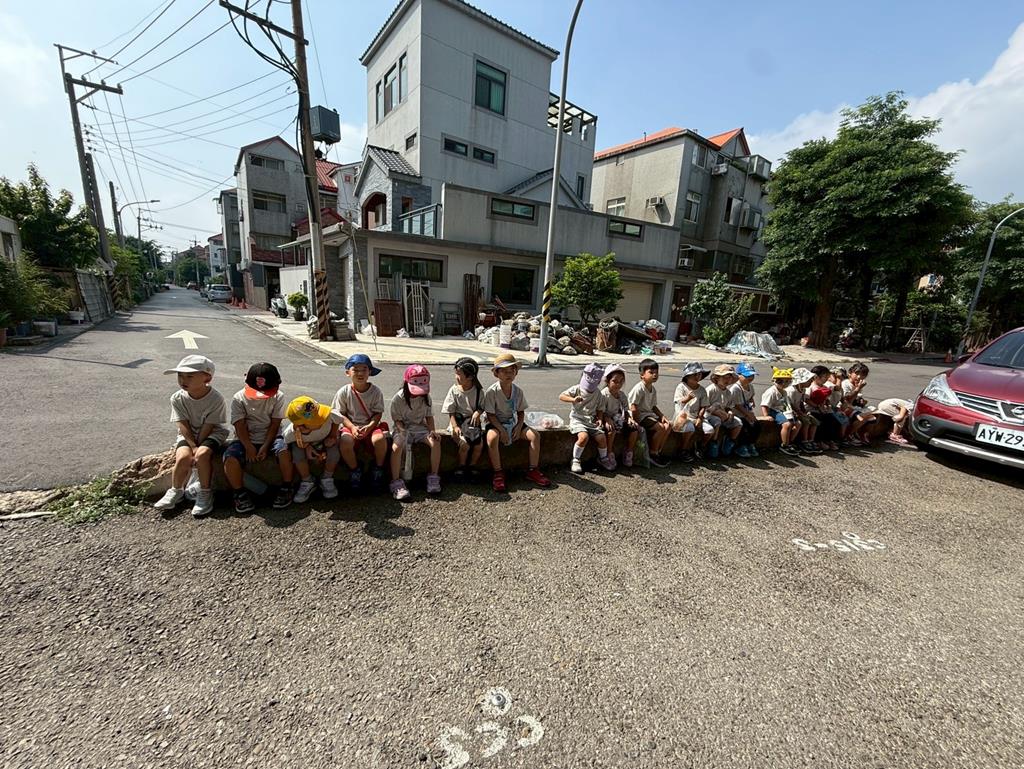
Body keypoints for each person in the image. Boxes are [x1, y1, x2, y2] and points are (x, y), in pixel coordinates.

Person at [154, 355, 228, 517]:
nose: (183, 380)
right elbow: (182, 424)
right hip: (187, 435)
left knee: (202, 455)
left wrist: (197, 447)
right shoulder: (177, 397)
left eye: (189, 376)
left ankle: (205, 492)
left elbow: (210, 425)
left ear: (207, 378)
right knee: (182, 457)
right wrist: (192, 445)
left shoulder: (216, 399)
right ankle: (176, 490)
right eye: (180, 376)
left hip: (212, 433)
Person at [223, 363, 293, 513]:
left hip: (271, 436)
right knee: (230, 458)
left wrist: (265, 445)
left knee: (284, 452)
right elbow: (239, 425)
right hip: (245, 438)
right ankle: (239, 493)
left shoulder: (278, 397)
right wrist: (248, 446)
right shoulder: (239, 398)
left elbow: (275, 423)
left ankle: (287, 487)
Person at [483, 353, 551, 492]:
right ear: (497, 374)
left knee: (535, 436)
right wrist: (501, 430)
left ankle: (533, 470)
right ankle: (498, 473)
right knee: (492, 438)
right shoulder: (492, 392)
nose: (508, 374)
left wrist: (519, 426)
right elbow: (490, 415)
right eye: (504, 371)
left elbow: (521, 412)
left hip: (513, 422)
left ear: (516, 373)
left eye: (511, 371)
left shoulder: (518, 391)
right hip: (496, 423)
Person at [332, 354, 389, 491]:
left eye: (364, 369)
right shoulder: (344, 392)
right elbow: (340, 414)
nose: (360, 373)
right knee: (345, 441)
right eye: (355, 370)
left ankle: (378, 467)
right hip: (350, 425)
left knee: (379, 439)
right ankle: (354, 469)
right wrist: (352, 427)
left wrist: (369, 427)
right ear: (348, 373)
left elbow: (378, 413)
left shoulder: (375, 391)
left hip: (370, 425)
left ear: (370, 372)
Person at [389, 364, 442, 500]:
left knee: (435, 442)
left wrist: (432, 431)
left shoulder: (426, 397)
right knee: (397, 446)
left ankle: (433, 476)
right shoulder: (398, 398)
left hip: (420, 428)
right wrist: (402, 431)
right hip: (403, 428)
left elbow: (429, 416)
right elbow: (397, 420)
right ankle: (396, 481)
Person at [283, 396, 342, 503]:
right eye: (316, 420)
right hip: (306, 444)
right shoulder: (292, 433)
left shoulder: (329, 415)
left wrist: (333, 435)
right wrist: (306, 445)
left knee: (334, 452)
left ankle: (327, 477)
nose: (322, 418)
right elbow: (287, 441)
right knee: (297, 453)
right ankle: (307, 480)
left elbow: (338, 419)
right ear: (301, 426)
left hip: (325, 440)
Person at [559, 362, 614, 474]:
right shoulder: (577, 389)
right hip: (578, 419)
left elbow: (600, 408)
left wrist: (600, 419)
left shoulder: (598, 394)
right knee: (583, 437)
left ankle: (603, 458)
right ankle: (575, 459)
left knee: (601, 438)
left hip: (591, 420)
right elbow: (562, 396)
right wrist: (573, 399)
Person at [442, 357, 486, 478]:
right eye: (456, 374)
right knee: (464, 444)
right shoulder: (454, 391)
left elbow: (482, 406)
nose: (456, 377)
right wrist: (455, 426)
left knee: (479, 445)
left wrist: (478, 412)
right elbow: (450, 411)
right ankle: (461, 466)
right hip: (457, 423)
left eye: (459, 374)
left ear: (470, 377)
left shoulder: (479, 391)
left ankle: (472, 465)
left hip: (472, 424)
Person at [627, 358, 671, 467]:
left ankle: (658, 451)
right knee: (660, 427)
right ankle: (653, 453)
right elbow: (633, 407)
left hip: (649, 414)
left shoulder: (652, 389)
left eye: (656, 372)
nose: (654, 375)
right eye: (651, 372)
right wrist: (637, 423)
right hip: (641, 416)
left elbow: (653, 406)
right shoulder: (639, 389)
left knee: (668, 425)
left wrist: (662, 416)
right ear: (642, 375)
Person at [671, 362, 715, 462]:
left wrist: (700, 418)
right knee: (690, 428)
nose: (697, 377)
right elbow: (679, 402)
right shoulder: (681, 387)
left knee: (709, 430)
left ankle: (701, 446)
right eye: (694, 374)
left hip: (696, 416)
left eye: (699, 374)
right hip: (683, 416)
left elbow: (703, 406)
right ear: (687, 376)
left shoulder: (702, 390)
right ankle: (683, 450)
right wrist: (688, 398)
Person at [601, 364, 640, 467]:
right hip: (606, 419)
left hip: (619, 419)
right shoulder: (604, 395)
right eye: (615, 381)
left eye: (621, 381)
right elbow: (600, 411)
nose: (618, 384)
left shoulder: (621, 395)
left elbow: (626, 410)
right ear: (607, 381)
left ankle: (628, 451)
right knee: (611, 430)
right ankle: (609, 452)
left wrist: (630, 419)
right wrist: (607, 419)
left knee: (634, 429)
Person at [705, 364, 743, 458]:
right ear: (717, 378)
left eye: (729, 378)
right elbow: (705, 406)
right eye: (724, 377)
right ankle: (713, 442)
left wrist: (730, 411)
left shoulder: (728, 392)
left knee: (738, 423)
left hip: (723, 414)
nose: (727, 380)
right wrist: (716, 412)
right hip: (710, 414)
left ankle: (730, 441)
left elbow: (728, 406)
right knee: (717, 421)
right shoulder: (711, 390)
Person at [761, 367, 800, 456]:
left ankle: (790, 442)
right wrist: (766, 416)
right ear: (774, 381)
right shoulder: (771, 392)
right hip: (774, 410)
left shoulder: (784, 392)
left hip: (783, 410)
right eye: (780, 381)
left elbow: (786, 403)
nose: (784, 384)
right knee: (787, 424)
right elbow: (764, 405)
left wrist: (792, 411)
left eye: (787, 382)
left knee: (798, 424)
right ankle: (784, 445)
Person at [786, 367, 823, 454]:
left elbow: (801, 402)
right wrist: (799, 413)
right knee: (806, 422)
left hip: (799, 411)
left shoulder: (802, 389)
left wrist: (804, 411)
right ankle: (803, 441)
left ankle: (811, 440)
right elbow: (790, 404)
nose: (811, 382)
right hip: (791, 411)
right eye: (809, 380)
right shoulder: (791, 390)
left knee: (815, 422)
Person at [729, 362, 762, 457]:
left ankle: (750, 444)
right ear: (739, 376)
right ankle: (741, 446)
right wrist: (748, 414)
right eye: (747, 376)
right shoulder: (735, 388)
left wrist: (752, 401)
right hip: (737, 413)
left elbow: (750, 396)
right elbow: (737, 405)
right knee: (744, 426)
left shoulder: (750, 386)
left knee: (757, 426)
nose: (750, 378)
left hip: (746, 411)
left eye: (752, 376)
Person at [807, 366, 842, 451]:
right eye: (825, 377)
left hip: (823, 410)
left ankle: (829, 440)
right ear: (816, 376)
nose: (826, 379)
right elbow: (807, 399)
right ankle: (818, 441)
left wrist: (827, 404)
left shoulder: (825, 387)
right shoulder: (811, 387)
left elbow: (826, 399)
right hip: (812, 409)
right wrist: (816, 406)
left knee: (833, 420)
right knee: (820, 421)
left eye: (827, 377)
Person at [842, 362, 878, 445]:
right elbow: (847, 399)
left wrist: (861, 401)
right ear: (850, 373)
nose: (859, 377)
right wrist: (858, 388)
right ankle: (848, 435)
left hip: (854, 406)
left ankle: (860, 434)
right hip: (845, 407)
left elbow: (856, 399)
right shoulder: (845, 384)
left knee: (873, 416)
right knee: (862, 417)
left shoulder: (857, 384)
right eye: (857, 373)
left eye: (862, 375)